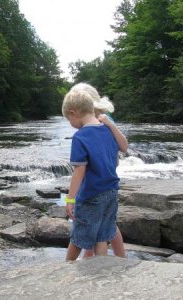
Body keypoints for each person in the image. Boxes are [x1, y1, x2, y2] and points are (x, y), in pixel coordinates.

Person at [62, 86, 124, 260]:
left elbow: (79, 170)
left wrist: (70, 198)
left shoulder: (80, 137)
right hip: (111, 191)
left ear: (74, 112)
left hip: (91, 195)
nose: (70, 124)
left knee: (79, 235)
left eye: (68, 119)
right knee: (102, 235)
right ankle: (100, 268)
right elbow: (117, 158)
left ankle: (65, 268)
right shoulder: (108, 128)